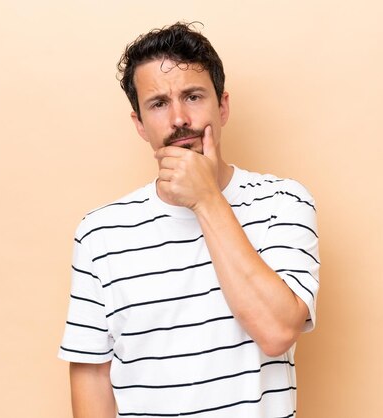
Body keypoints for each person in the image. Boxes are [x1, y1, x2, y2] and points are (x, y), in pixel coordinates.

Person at [58, 22, 320, 418]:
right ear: (139, 124)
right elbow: (92, 376)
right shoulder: (99, 233)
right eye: (158, 104)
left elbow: (276, 331)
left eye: (193, 96)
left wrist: (206, 200)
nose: (179, 118)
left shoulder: (283, 203)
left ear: (223, 106)